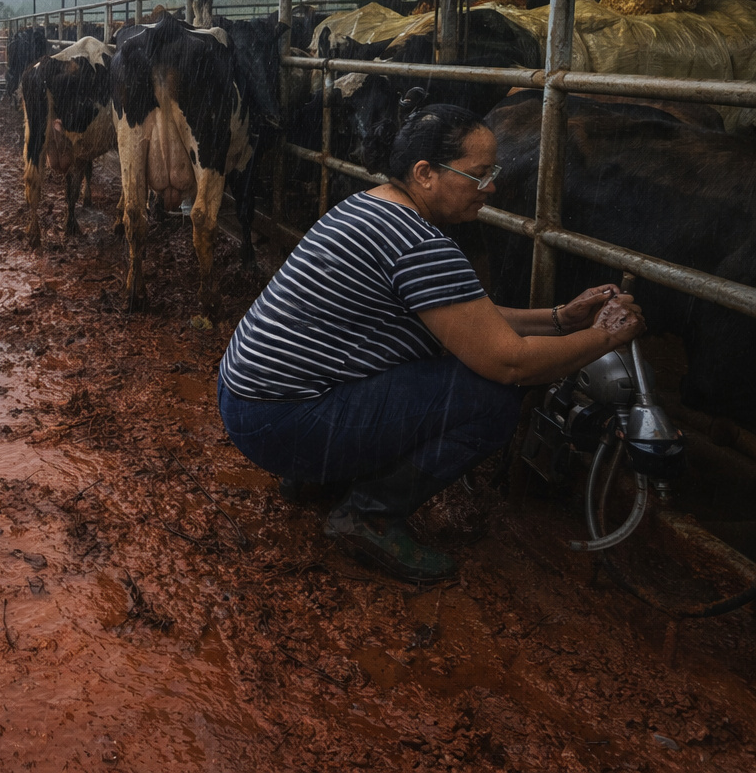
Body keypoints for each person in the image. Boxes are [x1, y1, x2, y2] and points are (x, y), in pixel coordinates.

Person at [217, 103, 644, 584]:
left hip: (247, 403)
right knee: (492, 397)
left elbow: (465, 318)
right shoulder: (419, 244)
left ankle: (315, 476)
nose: (491, 187)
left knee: (433, 368)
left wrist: (560, 319)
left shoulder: (369, 207)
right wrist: (604, 337)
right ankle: (368, 515)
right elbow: (511, 363)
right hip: (282, 423)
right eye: (479, 174)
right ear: (425, 174)